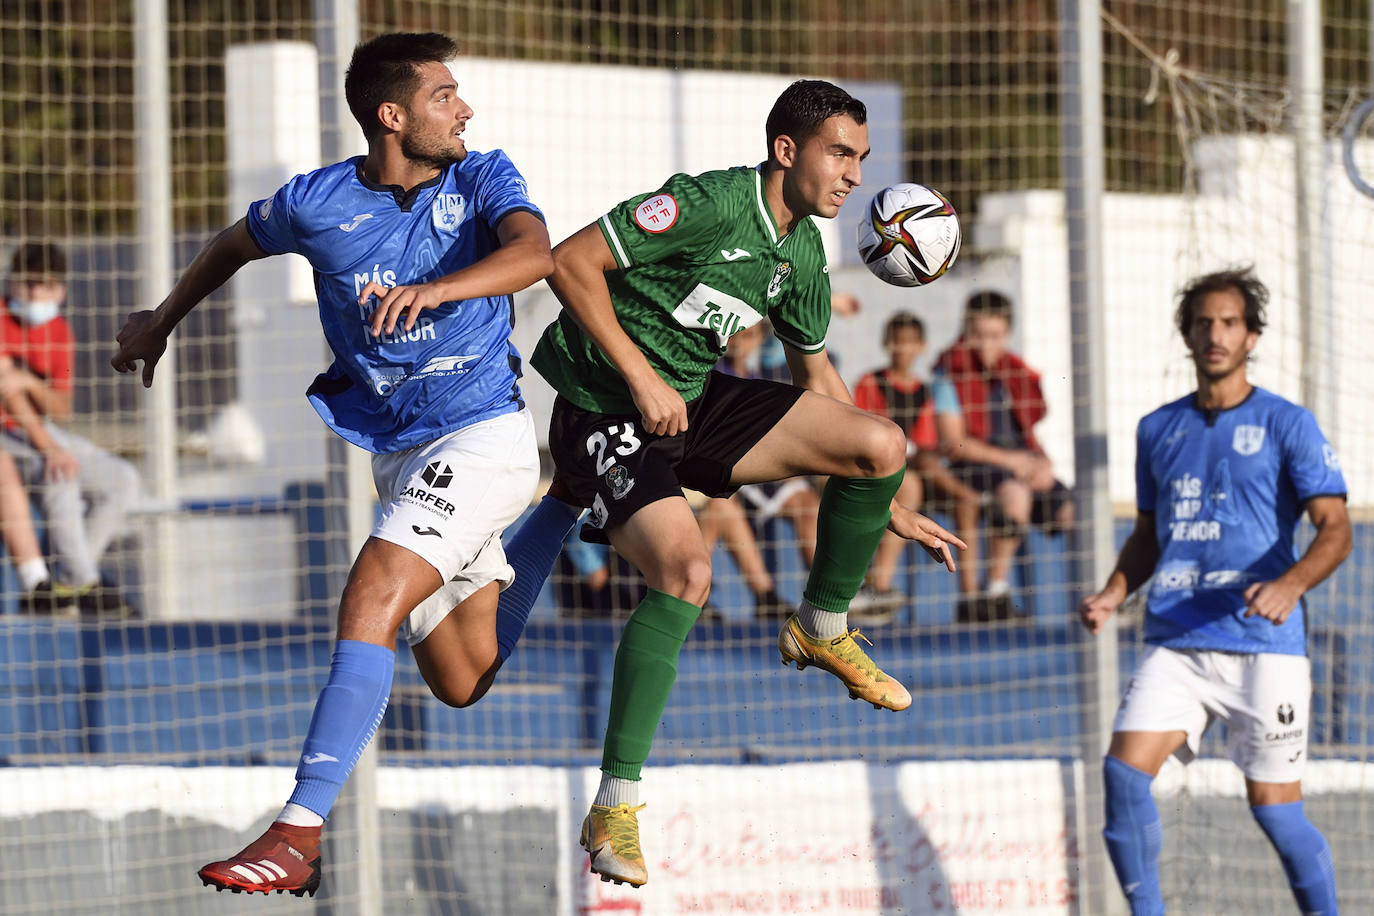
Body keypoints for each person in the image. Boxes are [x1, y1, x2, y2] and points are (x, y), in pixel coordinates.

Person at [110, 32, 583, 897]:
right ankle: (566, 504)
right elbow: (233, 244)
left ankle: (297, 831)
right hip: (402, 457)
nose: (465, 109)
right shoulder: (315, 203)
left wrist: (440, 288)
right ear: (391, 116)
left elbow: (535, 255)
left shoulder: (481, 177)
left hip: (483, 436)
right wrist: (162, 321)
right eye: (444, 96)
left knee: (370, 591)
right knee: (462, 679)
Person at [530, 78, 965, 887]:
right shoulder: (709, 205)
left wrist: (886, 494)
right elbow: (569, 262)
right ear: (786, 150)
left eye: (863, 158)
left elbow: (817, 377)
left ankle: (821, 626)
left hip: (691, 401)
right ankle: (614, 804)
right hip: (603, 405)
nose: (855, 175)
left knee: (881, 440)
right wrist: (640, 378)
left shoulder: (803, 251)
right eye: (841, 154)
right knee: (687, 575)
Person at [1079, 267, 1350, 916]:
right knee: (1122, 776)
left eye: (1230, 323)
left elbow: (1336, 529)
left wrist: (1289, 584)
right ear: (1188, 335)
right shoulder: (1157, 428)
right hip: (1178, 638)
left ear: (1252, 336)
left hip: (1265, 644)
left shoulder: (1287, 423)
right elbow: (1149, 534)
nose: (1216, 335)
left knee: (1276, 813)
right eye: (1203, 323)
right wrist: (1115, 592)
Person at [1, 241, 140, 614]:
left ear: (60, 291)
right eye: (28, 283)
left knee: (122, 479)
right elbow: (8, 396)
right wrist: (51, 449)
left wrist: (30, 383)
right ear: (12, 283)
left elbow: (60, 407)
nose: (35, 294)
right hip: (8, 433)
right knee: (59, 474)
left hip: (38, 431)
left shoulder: (59, 332)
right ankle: (82, 582)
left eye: (45, 285)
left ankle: (70, 582)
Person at [933, 290, 1073, 622]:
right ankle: (995, 592)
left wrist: (1041, 463)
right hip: (973, 469)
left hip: (1018, 465)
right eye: (978, 335)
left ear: (1008, 334)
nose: (986, 344)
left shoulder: (1014, 374)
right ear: (966, 330)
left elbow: (1026, 432)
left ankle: (1092, 595)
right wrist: (1014, 462)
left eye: (995, 336)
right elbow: (954, 443)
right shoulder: (949, 374)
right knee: (1015, 495)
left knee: (1073, 511)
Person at [851, 311, 983, 622]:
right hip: (884, 470)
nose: (902, 349)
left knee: (959, 500)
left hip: (919, 468)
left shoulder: (925, 392)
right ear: (886, 344)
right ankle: (879, 585)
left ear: (921, 346)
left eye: (909, 342)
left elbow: (926, 440)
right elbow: (863, 430)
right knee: (911, 483)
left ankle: (972, 598)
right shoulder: (871, 383)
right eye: (896, 342)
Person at [697, 320, 820, 621]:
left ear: (760, 341)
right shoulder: (710, 374)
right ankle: (696, 593)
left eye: (750, 335)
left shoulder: (756, 380)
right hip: (720, 471)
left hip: (755, 473)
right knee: (721, 508)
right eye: (736, 334)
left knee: (808, 504)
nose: (740, 342)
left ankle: (821, 598)